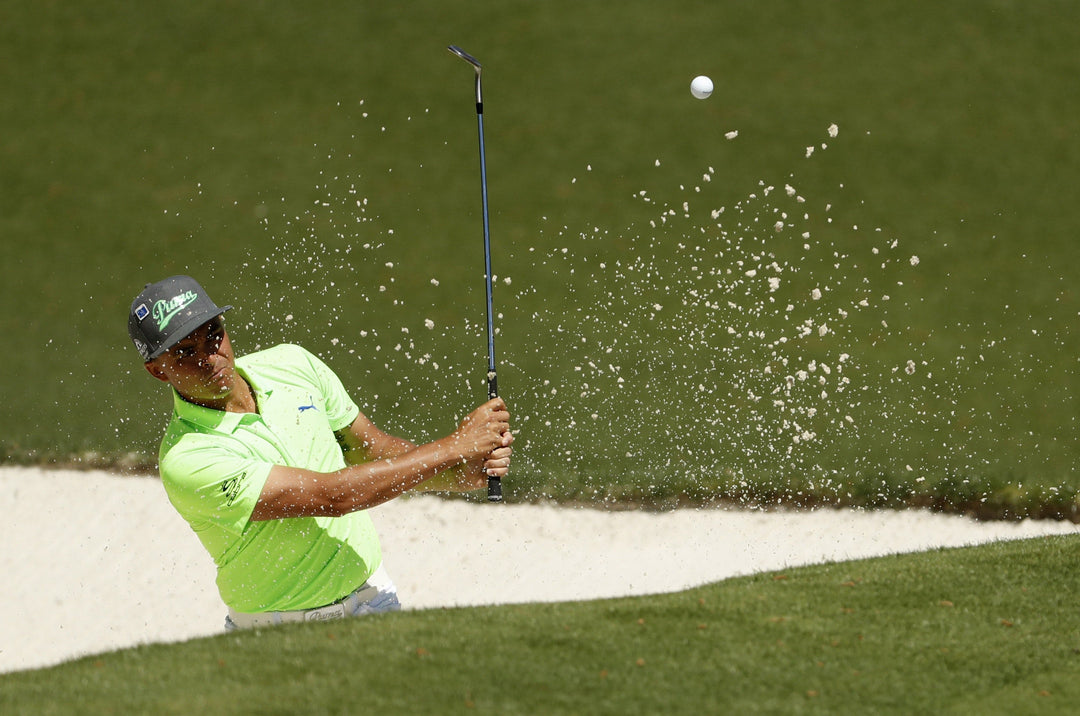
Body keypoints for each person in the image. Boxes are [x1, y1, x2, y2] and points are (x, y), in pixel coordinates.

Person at [127, 275, 513, 629]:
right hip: (275, 635)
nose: (210, 357)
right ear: (158, 371)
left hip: (373, 604)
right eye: (184, 352)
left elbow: (370, 450)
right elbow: (332, 497)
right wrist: (451, 448)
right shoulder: (187, 458)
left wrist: (460, 472)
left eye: (213, 335)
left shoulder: (291, 364)